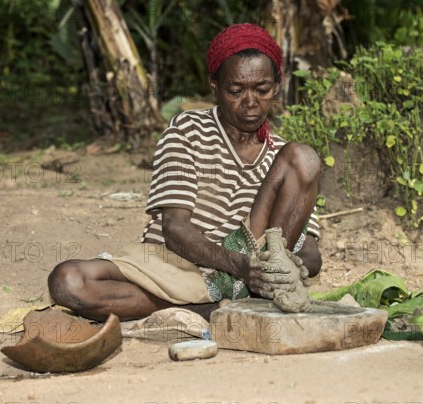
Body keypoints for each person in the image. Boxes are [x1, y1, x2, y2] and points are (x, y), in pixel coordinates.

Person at [48, 24, 322, 322]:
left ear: (277, 87)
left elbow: (309, 249)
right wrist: (241, 266)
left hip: (252, 267)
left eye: (262, 89)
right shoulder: (187, 130)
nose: (250, 101)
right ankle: (210, 310)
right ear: (214, 86)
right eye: (235, 90)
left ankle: (241, 300)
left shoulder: (285, 159)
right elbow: (175, 230)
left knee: (304, 157)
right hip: (178, 264)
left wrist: (285, 270)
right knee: (69, 281)